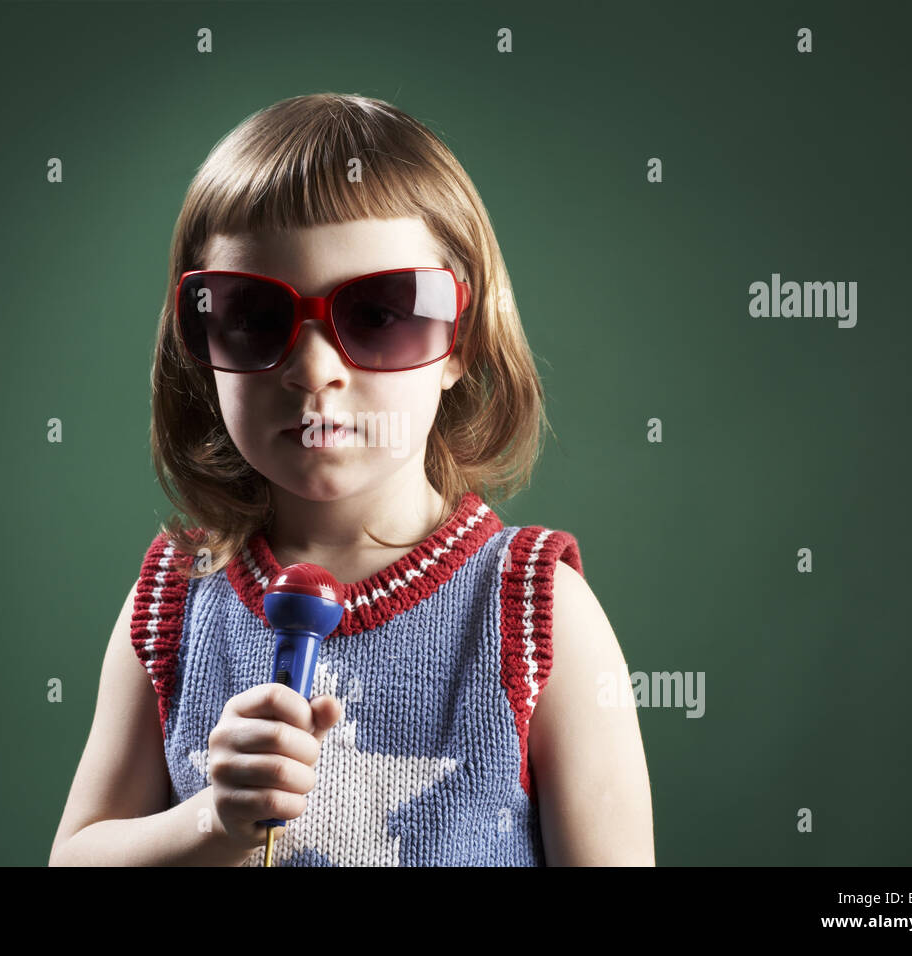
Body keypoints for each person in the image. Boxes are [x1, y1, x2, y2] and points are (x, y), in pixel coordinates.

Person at [49, 93, 654, 866]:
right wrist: (214, 822)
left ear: (460, 341)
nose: (313, 371)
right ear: (200, 340)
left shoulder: (538, 612)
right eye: (253, 314)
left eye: (378, 314)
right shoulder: (174, 598)